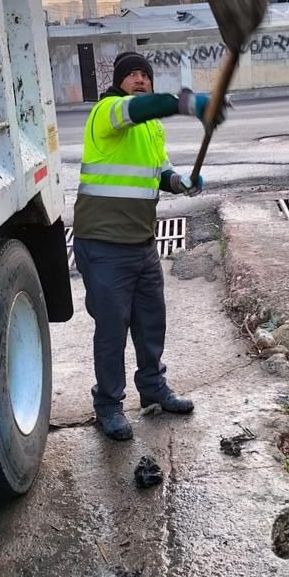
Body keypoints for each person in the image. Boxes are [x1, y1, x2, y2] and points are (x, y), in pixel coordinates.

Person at [72, 51, 225, 441]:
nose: (141, 79)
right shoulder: (108, 113)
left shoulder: (152, 128)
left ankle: (153, 388)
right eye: (132, 74)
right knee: (111, 330)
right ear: (120, 82)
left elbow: (160, 173)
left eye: (146, 74)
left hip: (141, 243)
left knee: (150, 321)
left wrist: (181, 183)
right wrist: (186, 103)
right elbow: (137, 109)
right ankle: (108, 405)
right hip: (104, 245)